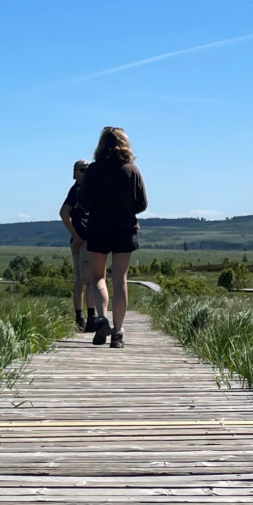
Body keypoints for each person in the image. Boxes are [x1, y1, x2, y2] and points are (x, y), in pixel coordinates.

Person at [78, 127, 147, 349]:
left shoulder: (93, 171)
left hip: (98, 228)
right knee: (120, 280)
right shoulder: (132, 170)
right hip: (125, 229)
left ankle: (102, 320)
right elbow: (142, 204)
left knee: (98, 277)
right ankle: (117, 333)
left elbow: (83, 203)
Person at [58, 160, 100, 332]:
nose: (85, 173)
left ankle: (80, 318)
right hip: (83, 239)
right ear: (75, 173)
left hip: (84, 239)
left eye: (88, 170)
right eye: (82, 170)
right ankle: (90, 318)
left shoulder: (84, 190)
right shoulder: (77, 190)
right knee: (88, 281)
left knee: (80, 281)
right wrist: (76, 236)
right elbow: (63, 213)